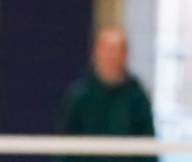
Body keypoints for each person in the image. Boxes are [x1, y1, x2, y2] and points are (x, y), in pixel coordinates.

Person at [58, 27, 157, 162]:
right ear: (96, 52)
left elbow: (148, 145)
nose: (111, 55)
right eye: (107, 49)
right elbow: (65, 145)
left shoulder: (138, 97)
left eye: (117, 49)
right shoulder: (79, 95)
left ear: (125, 54)